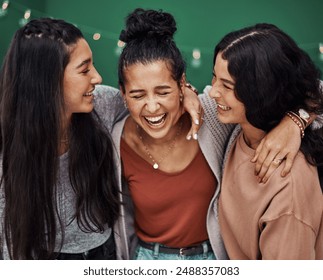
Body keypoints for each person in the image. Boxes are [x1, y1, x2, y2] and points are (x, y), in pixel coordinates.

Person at [111, 9, 314, 260]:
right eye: (138, 95)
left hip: (212, 258)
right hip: (147, 258)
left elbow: (307, 87)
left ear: (182, 84)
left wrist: (296, 120)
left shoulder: (214, 116)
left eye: (163, 92)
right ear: (122, 93)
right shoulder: (115, 135)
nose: (152, 107)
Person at [209, 23, 323, 259]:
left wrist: (297, 119)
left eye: (227, 86)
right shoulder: (235, 126)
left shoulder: (287, 187)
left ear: (260, 91)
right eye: (214, 78)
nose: (212, 92)